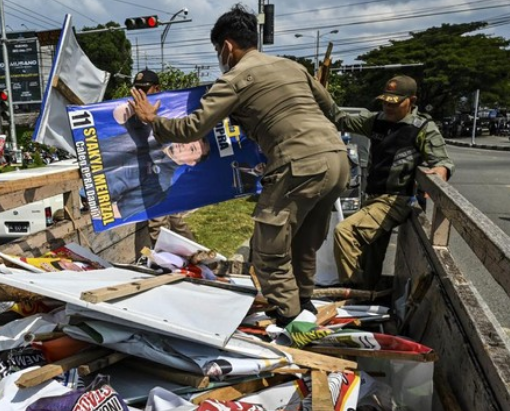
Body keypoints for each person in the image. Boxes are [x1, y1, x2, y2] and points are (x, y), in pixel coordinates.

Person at [129, 4, 349, 326]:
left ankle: (293, 324)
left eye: (219, 51)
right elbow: (331, 109)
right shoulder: (293, 66)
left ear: (228, 47)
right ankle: (305, 305)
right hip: (337, 160)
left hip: (298, 165)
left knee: (269, 252)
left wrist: (152, 119)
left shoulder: (233, 80)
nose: (220, 58)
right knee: (304, 244)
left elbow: (192, 128)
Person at [329, 75, 455, 288]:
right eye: (385, 101)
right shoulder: (376, 121)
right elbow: (342, 120)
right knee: (372, 254)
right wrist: (318, 92)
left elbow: (443, 161)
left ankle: (352, 290)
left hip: (396, 199)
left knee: (345, 231)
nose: (388, 107)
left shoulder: (422, 127)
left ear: (411, 101)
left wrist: (439, 173)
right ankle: (367, 291)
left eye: (394, 103)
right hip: (373, 198)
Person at [130, 69, 197, 243]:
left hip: (170, 171)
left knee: (176, 221)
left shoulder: (170, 110)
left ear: (157, 89)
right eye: (137, 89)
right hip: (149, 173)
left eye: (145, 90)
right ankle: (165, 261)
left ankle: (197, 257)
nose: (140, 94)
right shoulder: (132, 111)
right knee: (158, 222)